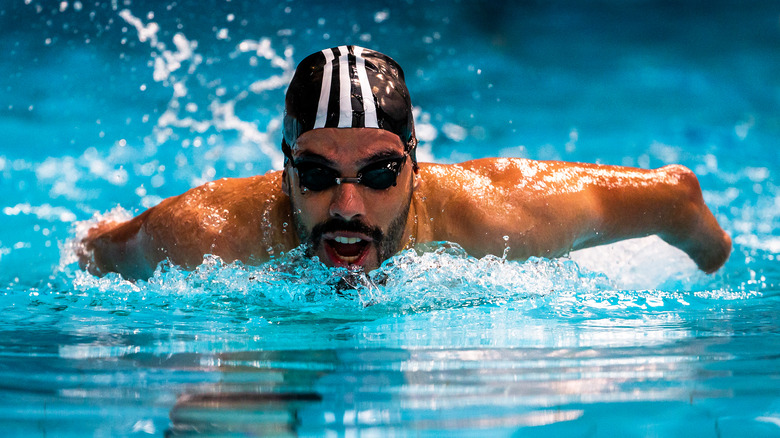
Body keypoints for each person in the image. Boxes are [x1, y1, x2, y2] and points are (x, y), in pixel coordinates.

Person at [77, 45, 732, 280]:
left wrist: (721, 287)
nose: (348, 206)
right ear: (284, 170)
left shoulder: (503, 213)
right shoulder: (208, 231)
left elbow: (676, 197)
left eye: (381, 173)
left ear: (416, 167)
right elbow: (91, 256)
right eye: (318, 174)